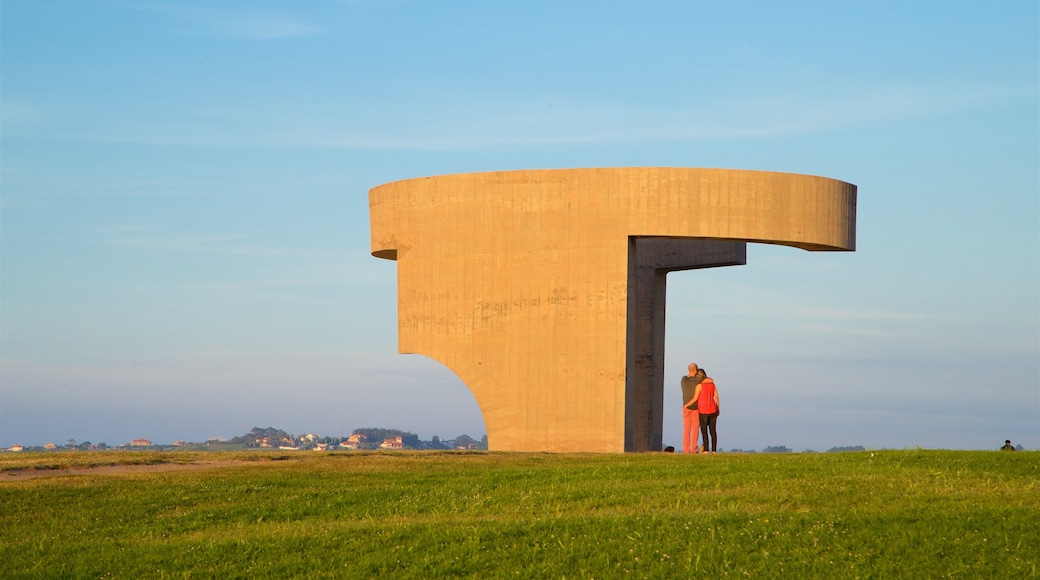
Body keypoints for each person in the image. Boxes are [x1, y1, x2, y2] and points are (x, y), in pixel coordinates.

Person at [692, 370, 720, 453]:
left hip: (703, 410)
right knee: (713, 431)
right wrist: (718, 408)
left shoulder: (699, 386)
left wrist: (686, 405)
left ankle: (706, 449)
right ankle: (714, 450)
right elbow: (716, 397)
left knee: (704, 431)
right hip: (713, 410)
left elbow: (695, 398)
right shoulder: (712, 385)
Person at [680, 363, 705, 454]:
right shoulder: (697, 380)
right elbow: (707, 379)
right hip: (695, 407)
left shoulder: (683, 379)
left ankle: (685, 450)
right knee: (695, 429)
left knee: (686, 430)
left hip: (685, 407)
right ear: (696, 370)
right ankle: (693, 449)